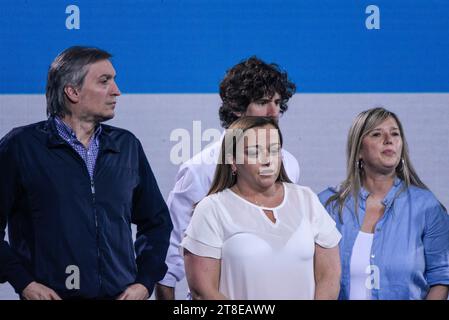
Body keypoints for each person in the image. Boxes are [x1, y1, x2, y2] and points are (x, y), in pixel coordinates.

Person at [0, 46, 173, 300]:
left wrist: (144, 282)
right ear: (72, 91)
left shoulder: (127, 146)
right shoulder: (21, 146)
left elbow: (157, 222)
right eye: (104, 81)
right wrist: (24, 282)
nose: (117, 91)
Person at [155, 57, 301, 299]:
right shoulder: (199, 170)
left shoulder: (290, 164)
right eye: (263, 102)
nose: (274, 112)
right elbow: (168, 263)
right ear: (236, 106)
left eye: (277, 102)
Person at [181, 116, 341, 299]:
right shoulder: (212, 209)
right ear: (233, 161)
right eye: (254, 152)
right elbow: (203, 291)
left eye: (274, 151)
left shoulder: (306, 199)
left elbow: (329, 276)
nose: (267, 161)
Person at [319, 107, 449, 300]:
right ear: (359, 150)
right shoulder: (328, 205)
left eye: (395, 134)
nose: (389, 139)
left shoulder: (427, 207)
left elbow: (442, 278)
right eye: (377, 134)